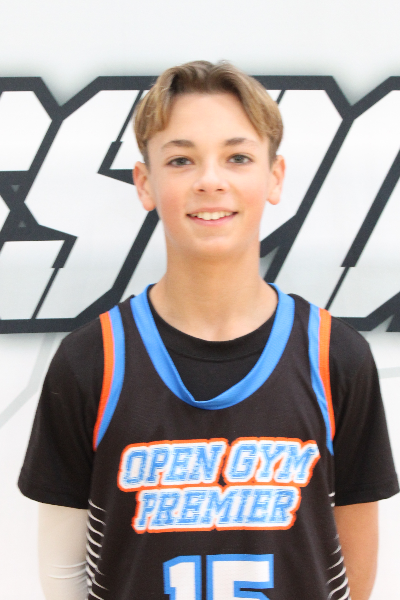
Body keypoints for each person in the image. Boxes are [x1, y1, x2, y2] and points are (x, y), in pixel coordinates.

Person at [19, 60, 399, 600]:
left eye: (237, 157)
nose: (210, 181)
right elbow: (63, 573)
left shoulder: (335, 356)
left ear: (274, 177)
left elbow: (353, 572)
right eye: (181, 159)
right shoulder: (91, 360)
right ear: (145, 183)